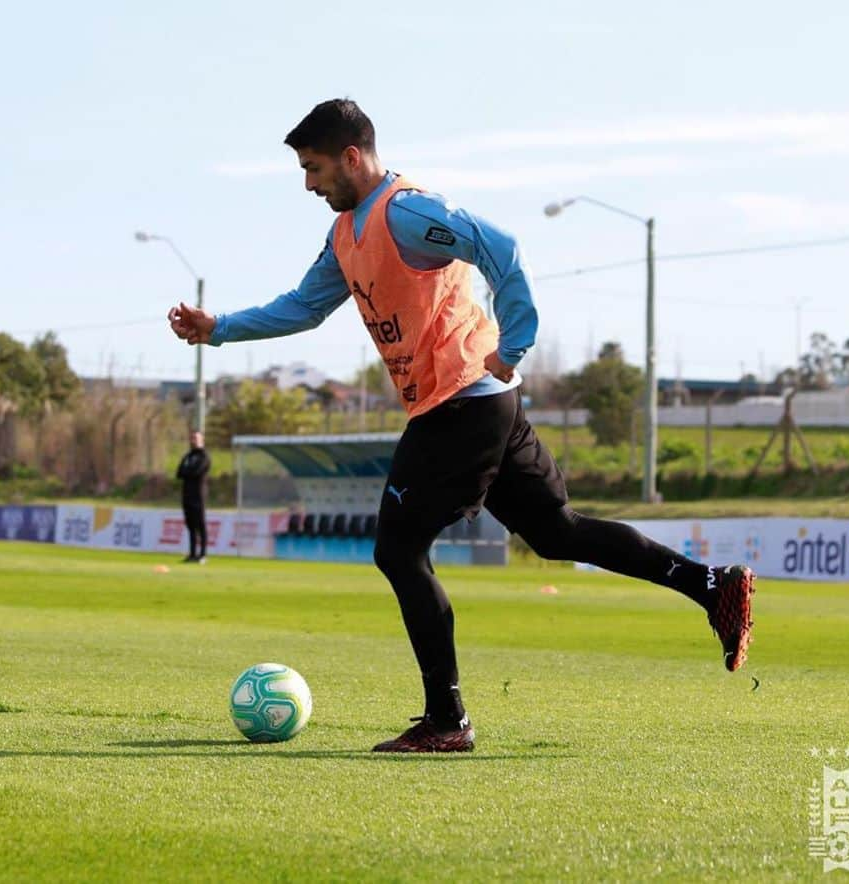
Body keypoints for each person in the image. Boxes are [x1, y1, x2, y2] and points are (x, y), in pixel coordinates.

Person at [168, 99, 755, 752]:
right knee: (556, 533)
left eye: (314, 168)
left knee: (397, 549)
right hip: (477, 402)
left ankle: (447, 722)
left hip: (463, 401)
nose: (309, 184)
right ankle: (712, 587)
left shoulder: (406, 213)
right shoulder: (345, 235)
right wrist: (220, 329)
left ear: (352, 158)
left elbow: (499, 246)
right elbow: (304, 307)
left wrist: (516, 339)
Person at [176, 429, 210, 563]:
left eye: (196, 438)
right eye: (192, 438)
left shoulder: (204, 457)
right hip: (186, 495)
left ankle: (203, 555)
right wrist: (187, 471)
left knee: (200, 525)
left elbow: (197, 472)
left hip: (198, 495)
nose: (193, 441)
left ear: (202, 440)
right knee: (190, 526)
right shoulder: (188, 456)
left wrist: (187, 471)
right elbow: (179, 473)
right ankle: (192, 554)